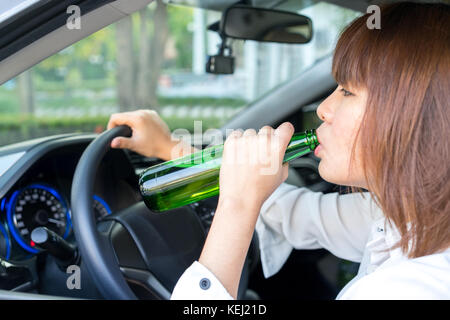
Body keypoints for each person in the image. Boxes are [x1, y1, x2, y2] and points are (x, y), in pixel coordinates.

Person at [107, 2, 450, 300]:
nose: (323, 109)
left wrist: (236, 206)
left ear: (416, 115)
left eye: (347, 91)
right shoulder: (404, 216)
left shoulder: (408, 288)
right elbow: (298, 215)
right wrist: (171, 148)